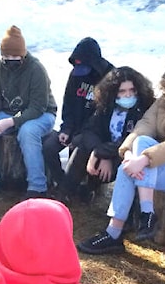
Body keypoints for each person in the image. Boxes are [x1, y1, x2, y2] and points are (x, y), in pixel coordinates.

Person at [78, 55, 165, 254]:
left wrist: (144, 159)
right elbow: (144, 125)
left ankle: (115, 231)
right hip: (164, 161)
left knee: (132, 168)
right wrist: (128, 154)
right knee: (138, 146)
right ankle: (145, 214)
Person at [0, 25, 58, 199]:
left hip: (41, 115)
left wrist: (12, 121)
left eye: (15, 56)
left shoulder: (36, 70)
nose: (10, 59)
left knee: (28, 132)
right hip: (8, 112)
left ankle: (37, 185)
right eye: (7, 56)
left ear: (23, 54)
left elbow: (37, 107)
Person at [60, 66, 155, 203]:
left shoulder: (144, 109)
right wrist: (99, 152)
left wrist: (101, 152)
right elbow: (89, 130)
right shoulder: (107, 106)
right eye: (122, 91)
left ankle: (127, 214)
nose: (128, 95)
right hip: (106, 151)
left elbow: (132, 139)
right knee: (81, 146)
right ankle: (65, 194)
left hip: (128, 155)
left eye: (132, 90)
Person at [43, 37, 115, 189]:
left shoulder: (110, 77)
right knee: (49, 147)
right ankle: (63, 182)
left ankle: (83, 188)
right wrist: (66, 129)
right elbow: (68, 104)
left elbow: (105, 116)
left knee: (78, 146)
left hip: (95, 133)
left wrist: (78, 134)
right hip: (74, 127)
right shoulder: (76, 75)